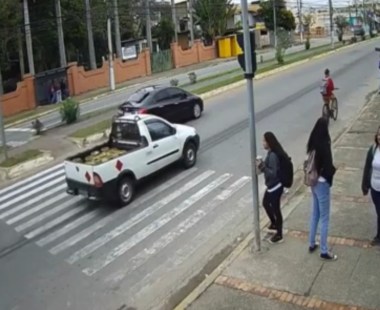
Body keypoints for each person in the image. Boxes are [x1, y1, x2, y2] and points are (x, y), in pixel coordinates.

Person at [306, 117, 337, 261]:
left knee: (315, 215)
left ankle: (312, 243)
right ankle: (324, 250)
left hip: (313, 183)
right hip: (323, 183)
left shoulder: (312, 144)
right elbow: (329, 167)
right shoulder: (325, 145)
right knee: (325, 218)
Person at [257, 132, 287, 244]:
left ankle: (279, 234)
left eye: (264, 141)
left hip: (275, 186)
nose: (263, 143)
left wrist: (263, 167)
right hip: (271, 186)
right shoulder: (270, 153)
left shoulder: (273, 155)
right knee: (265, 203)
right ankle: (274, 223)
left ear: (269, 142)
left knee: (276, 209)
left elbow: (273, 173)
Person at [361, 126, 380, 246]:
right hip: (374, 187)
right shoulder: (373, 149)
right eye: (378, 134)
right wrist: (365, 185)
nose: (379, 137)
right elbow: (367, 167)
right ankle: (379, 236)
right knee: (378, 211)